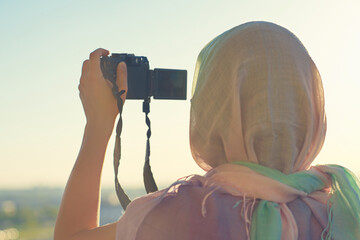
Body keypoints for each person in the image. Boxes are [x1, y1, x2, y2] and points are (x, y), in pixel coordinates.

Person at [54, 22, 360, 240]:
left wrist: (98, 125)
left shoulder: (178, 215)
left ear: (209, 112)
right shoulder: (345, 210)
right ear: (312, 109)